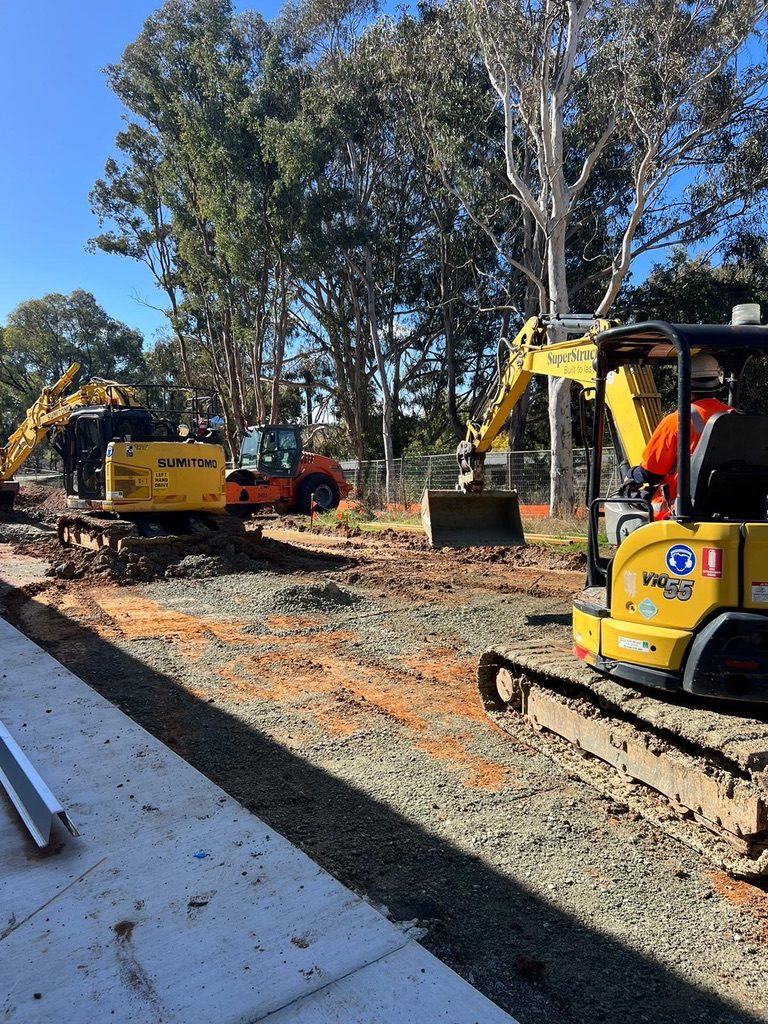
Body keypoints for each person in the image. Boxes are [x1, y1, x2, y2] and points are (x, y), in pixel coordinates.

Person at [625, 353, 732, 518]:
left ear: (685, 381)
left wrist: (631, 475)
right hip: (730, 507)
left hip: (680, 509)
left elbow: (651, 473)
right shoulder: (735, 418)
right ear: (717, 381)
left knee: (624, 501)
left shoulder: (677, 420)